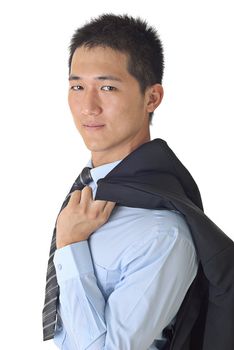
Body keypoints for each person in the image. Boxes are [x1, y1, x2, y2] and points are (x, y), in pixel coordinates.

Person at [42, 13, 234, 350]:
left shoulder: (162, 233)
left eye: (107, 87)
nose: (88, 106)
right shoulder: (89, 194)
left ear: (152, 98)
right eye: (77, 86)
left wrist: (70, 246)